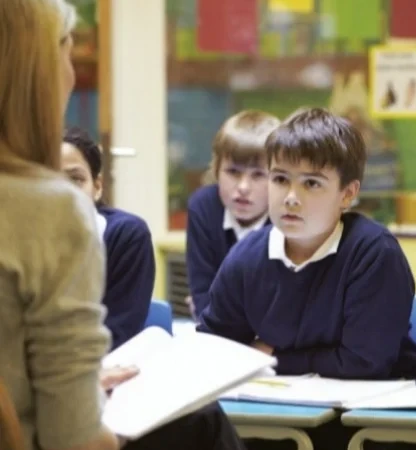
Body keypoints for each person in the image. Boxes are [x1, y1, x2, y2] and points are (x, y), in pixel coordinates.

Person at [0, 1, 245, 449]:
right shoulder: (48, 212)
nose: (72, 75)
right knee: (202, 423)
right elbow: (74, 438)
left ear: (98, 184)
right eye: (68, 55)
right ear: (38, 75)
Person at [198, 107, 416, 449]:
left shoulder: (373, 253)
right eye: (280, 179)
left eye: (311, 183)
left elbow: (364, 363)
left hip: (374, 421)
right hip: (284, 413)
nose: (291, 197)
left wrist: (272, 356)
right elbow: (213, 348)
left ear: (347, 194)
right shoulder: (247, 256)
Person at [62, 127, 154, 350]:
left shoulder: (126, 235)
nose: (63, 193)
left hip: (101, 363)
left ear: (97, 187)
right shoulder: (18, 239)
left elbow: (120, 333)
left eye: (75, 179)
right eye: (49, 180)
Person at [186, 110, 280, 319]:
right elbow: (202, 291)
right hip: (216, 330)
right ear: (216, 170)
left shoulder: (286, 216)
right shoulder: (202, 207)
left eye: (258, 175)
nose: (243, 187)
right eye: (233, 172)